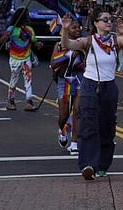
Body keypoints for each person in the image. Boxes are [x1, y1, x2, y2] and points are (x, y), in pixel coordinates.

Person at [60, 11, 123, 180]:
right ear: (96, 23)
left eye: (110, 20)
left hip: (109, 86)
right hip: (90, 86)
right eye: (105, 20)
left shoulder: (115, 41)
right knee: (89, 125)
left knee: (107, 127)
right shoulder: (88, 41)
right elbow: (67, 44)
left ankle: (102, 165)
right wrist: (65, 29)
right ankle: (88, 164)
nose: (108, 22)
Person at [53, 18, 86, 154]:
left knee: (77, 111)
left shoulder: (84, 44)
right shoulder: (60, 45)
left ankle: (74, 143)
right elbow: (53, 63)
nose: (77, 30)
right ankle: (63, 128)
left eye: (79, 27)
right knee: (64, 115)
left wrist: (79, 60)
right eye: (74, 28)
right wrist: (67, 55)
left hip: (79, 78)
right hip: (64, 80)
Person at [0, 8, 42, 111]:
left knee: (28, 80)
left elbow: (35, 43)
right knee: (14, 79)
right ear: (22, 17)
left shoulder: (29, 30)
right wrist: (6, 36)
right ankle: (10, 101)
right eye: (27, 15)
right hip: (14, 59)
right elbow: (1, 41)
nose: (28, 17)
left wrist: (39, 44)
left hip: (26, 58)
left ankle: (29, 102)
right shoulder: (11, 29)